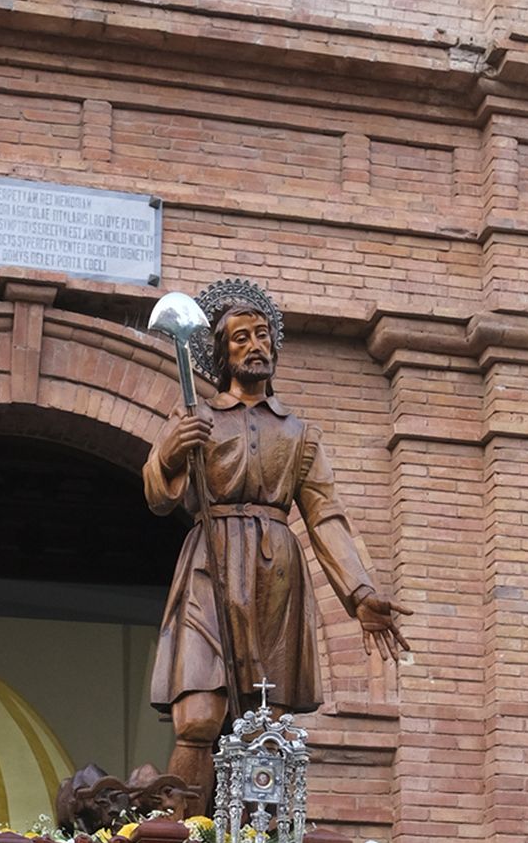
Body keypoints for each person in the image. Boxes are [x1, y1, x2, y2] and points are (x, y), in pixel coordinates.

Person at [144, 275, 409, 804]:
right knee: (198, 714)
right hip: (209, 562)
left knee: (270, 725)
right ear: (222, 352)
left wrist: (359, 594)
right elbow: (157, 494)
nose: (255, 345)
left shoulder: (298, 433)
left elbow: (325, 515)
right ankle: (182, 839)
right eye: (240, 337)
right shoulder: (197, 416)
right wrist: (171, 451)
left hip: (274, 573)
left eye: (262, 335)